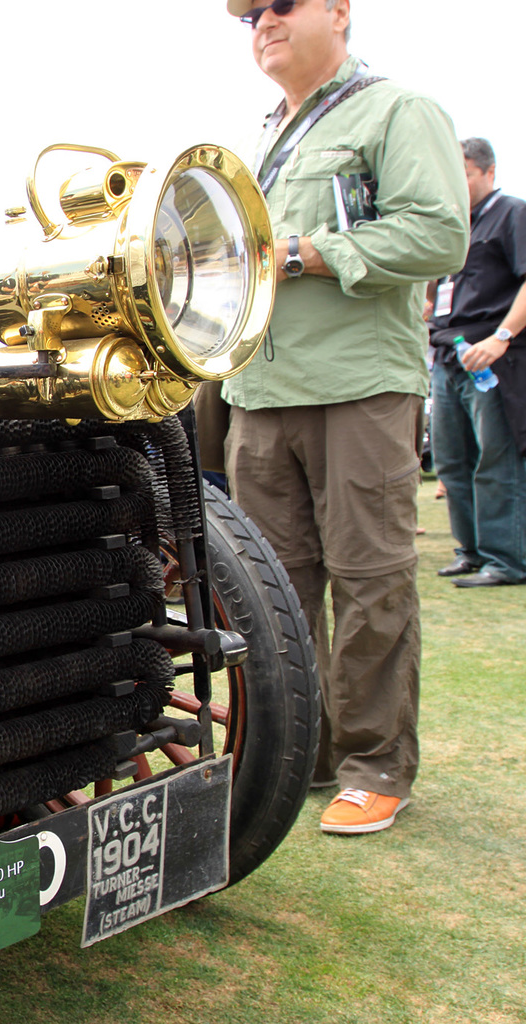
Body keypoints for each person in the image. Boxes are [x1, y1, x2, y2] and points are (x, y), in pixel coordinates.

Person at [219, 2, 468, 835]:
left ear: (338, 12)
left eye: (279, 5)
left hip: (358, 385)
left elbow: (439, 233)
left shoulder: (398, 110)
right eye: (249, 14)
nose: (262, 22)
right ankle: (307, 750)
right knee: (275, 592)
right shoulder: (264, 133)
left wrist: (306, 251)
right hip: (262, 390)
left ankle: (376, 763)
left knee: (370, 577)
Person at [427, 138, 526, 588]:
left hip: (491, 357)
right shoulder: (453, 226)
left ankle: (506, 559)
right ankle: (470, 551)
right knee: (452, 460)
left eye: (465, 173)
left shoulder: (511, 214)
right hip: (447, 353)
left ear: (487, 172)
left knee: (495, 459)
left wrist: (502, 337)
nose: (458, 182)